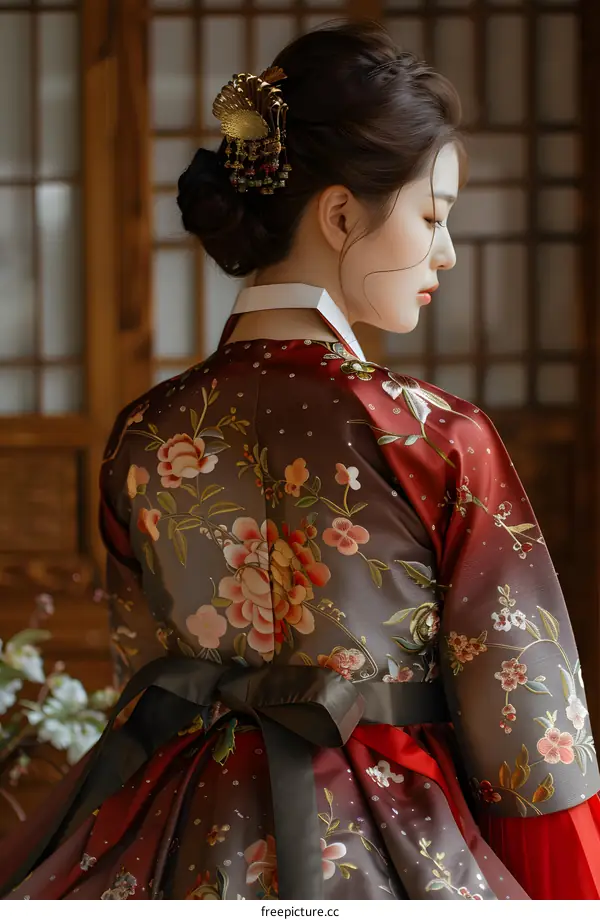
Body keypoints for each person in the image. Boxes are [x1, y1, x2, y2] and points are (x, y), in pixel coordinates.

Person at [2, 20, 600, 901]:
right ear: (341, 212)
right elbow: (530, 730)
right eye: (431, 216)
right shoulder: (431, 434)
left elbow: (143, 679)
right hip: (393, 841)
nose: (447, 252)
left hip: (176, 836)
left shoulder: (146, 432)